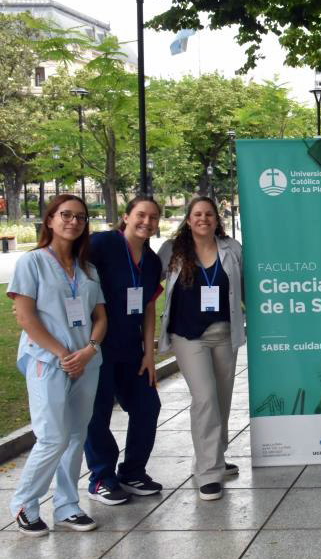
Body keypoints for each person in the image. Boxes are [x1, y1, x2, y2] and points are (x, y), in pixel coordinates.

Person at [8, 194, 107, 535]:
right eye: (65, 215)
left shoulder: (87, 269)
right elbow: (25, 316)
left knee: (77, 435)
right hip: (47, 361)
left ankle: (67, 506)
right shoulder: (31, 262)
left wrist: (90, 350)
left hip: (86, 361)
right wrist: (63, 355)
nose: (73, 222)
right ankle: (24, 503)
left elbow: (100, 317)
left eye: (80, 217)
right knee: (52, 436)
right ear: (50, 219)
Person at [158, 197, 245, 501]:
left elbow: (246, 288)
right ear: (188, 219)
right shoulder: (172, 250)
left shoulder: (231, 249)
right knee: (205, 397)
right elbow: (146, 281)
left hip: (223, 333)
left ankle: (213, 458)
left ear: (216, 218)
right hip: (187, 336)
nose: (203, 219)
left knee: (221, 399)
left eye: (209, 214)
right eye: (197, 214)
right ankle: (208, 473)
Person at [84, 197, 165, 505]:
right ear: (126, 216)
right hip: (98, 345)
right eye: (141, 214)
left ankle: (132, 472)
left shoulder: (152, 260)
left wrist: (149, 351)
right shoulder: (102, 244)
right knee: (98, 413)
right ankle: (101, 477)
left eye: (153, 217)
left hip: (132, 349)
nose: (147, 221)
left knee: (148, 405)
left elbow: (147, 307)